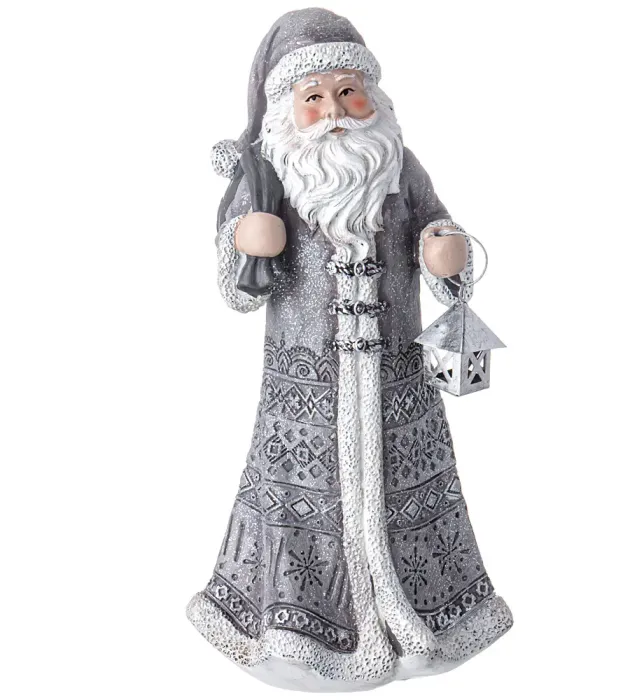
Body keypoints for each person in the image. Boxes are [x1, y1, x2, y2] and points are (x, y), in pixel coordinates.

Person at [187, 8, 512, 691]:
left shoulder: (400, 168)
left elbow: (439, 232)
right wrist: (248, 243)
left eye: (347, 92)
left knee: (406, 489)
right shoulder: (268, 177)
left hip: (398, 381)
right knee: (303, 501)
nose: (335, 111)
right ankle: (298, 628)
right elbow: (236, 288)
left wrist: (446, 250)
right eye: (314, 97)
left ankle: (423, 613)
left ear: (374, 98)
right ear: (286, 109)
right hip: (304, 393)